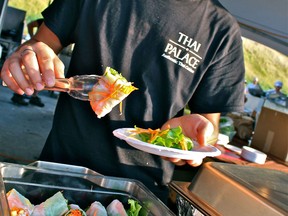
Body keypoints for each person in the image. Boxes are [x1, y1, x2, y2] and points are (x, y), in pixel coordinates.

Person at [1, 0, 245, 203]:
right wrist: (28, 57)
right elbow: (39, 43)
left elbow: (210, 126)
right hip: (58, 174)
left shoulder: (221, 29)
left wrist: (197, 137)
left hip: (139, 194)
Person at [10, 18, 45, 107]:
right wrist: (33, 38)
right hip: (36, 50)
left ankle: (33, 96)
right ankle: (18, 94)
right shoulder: (45, 21)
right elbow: (30, 25)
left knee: (42, 75)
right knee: (30, 72)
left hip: (46, 53)